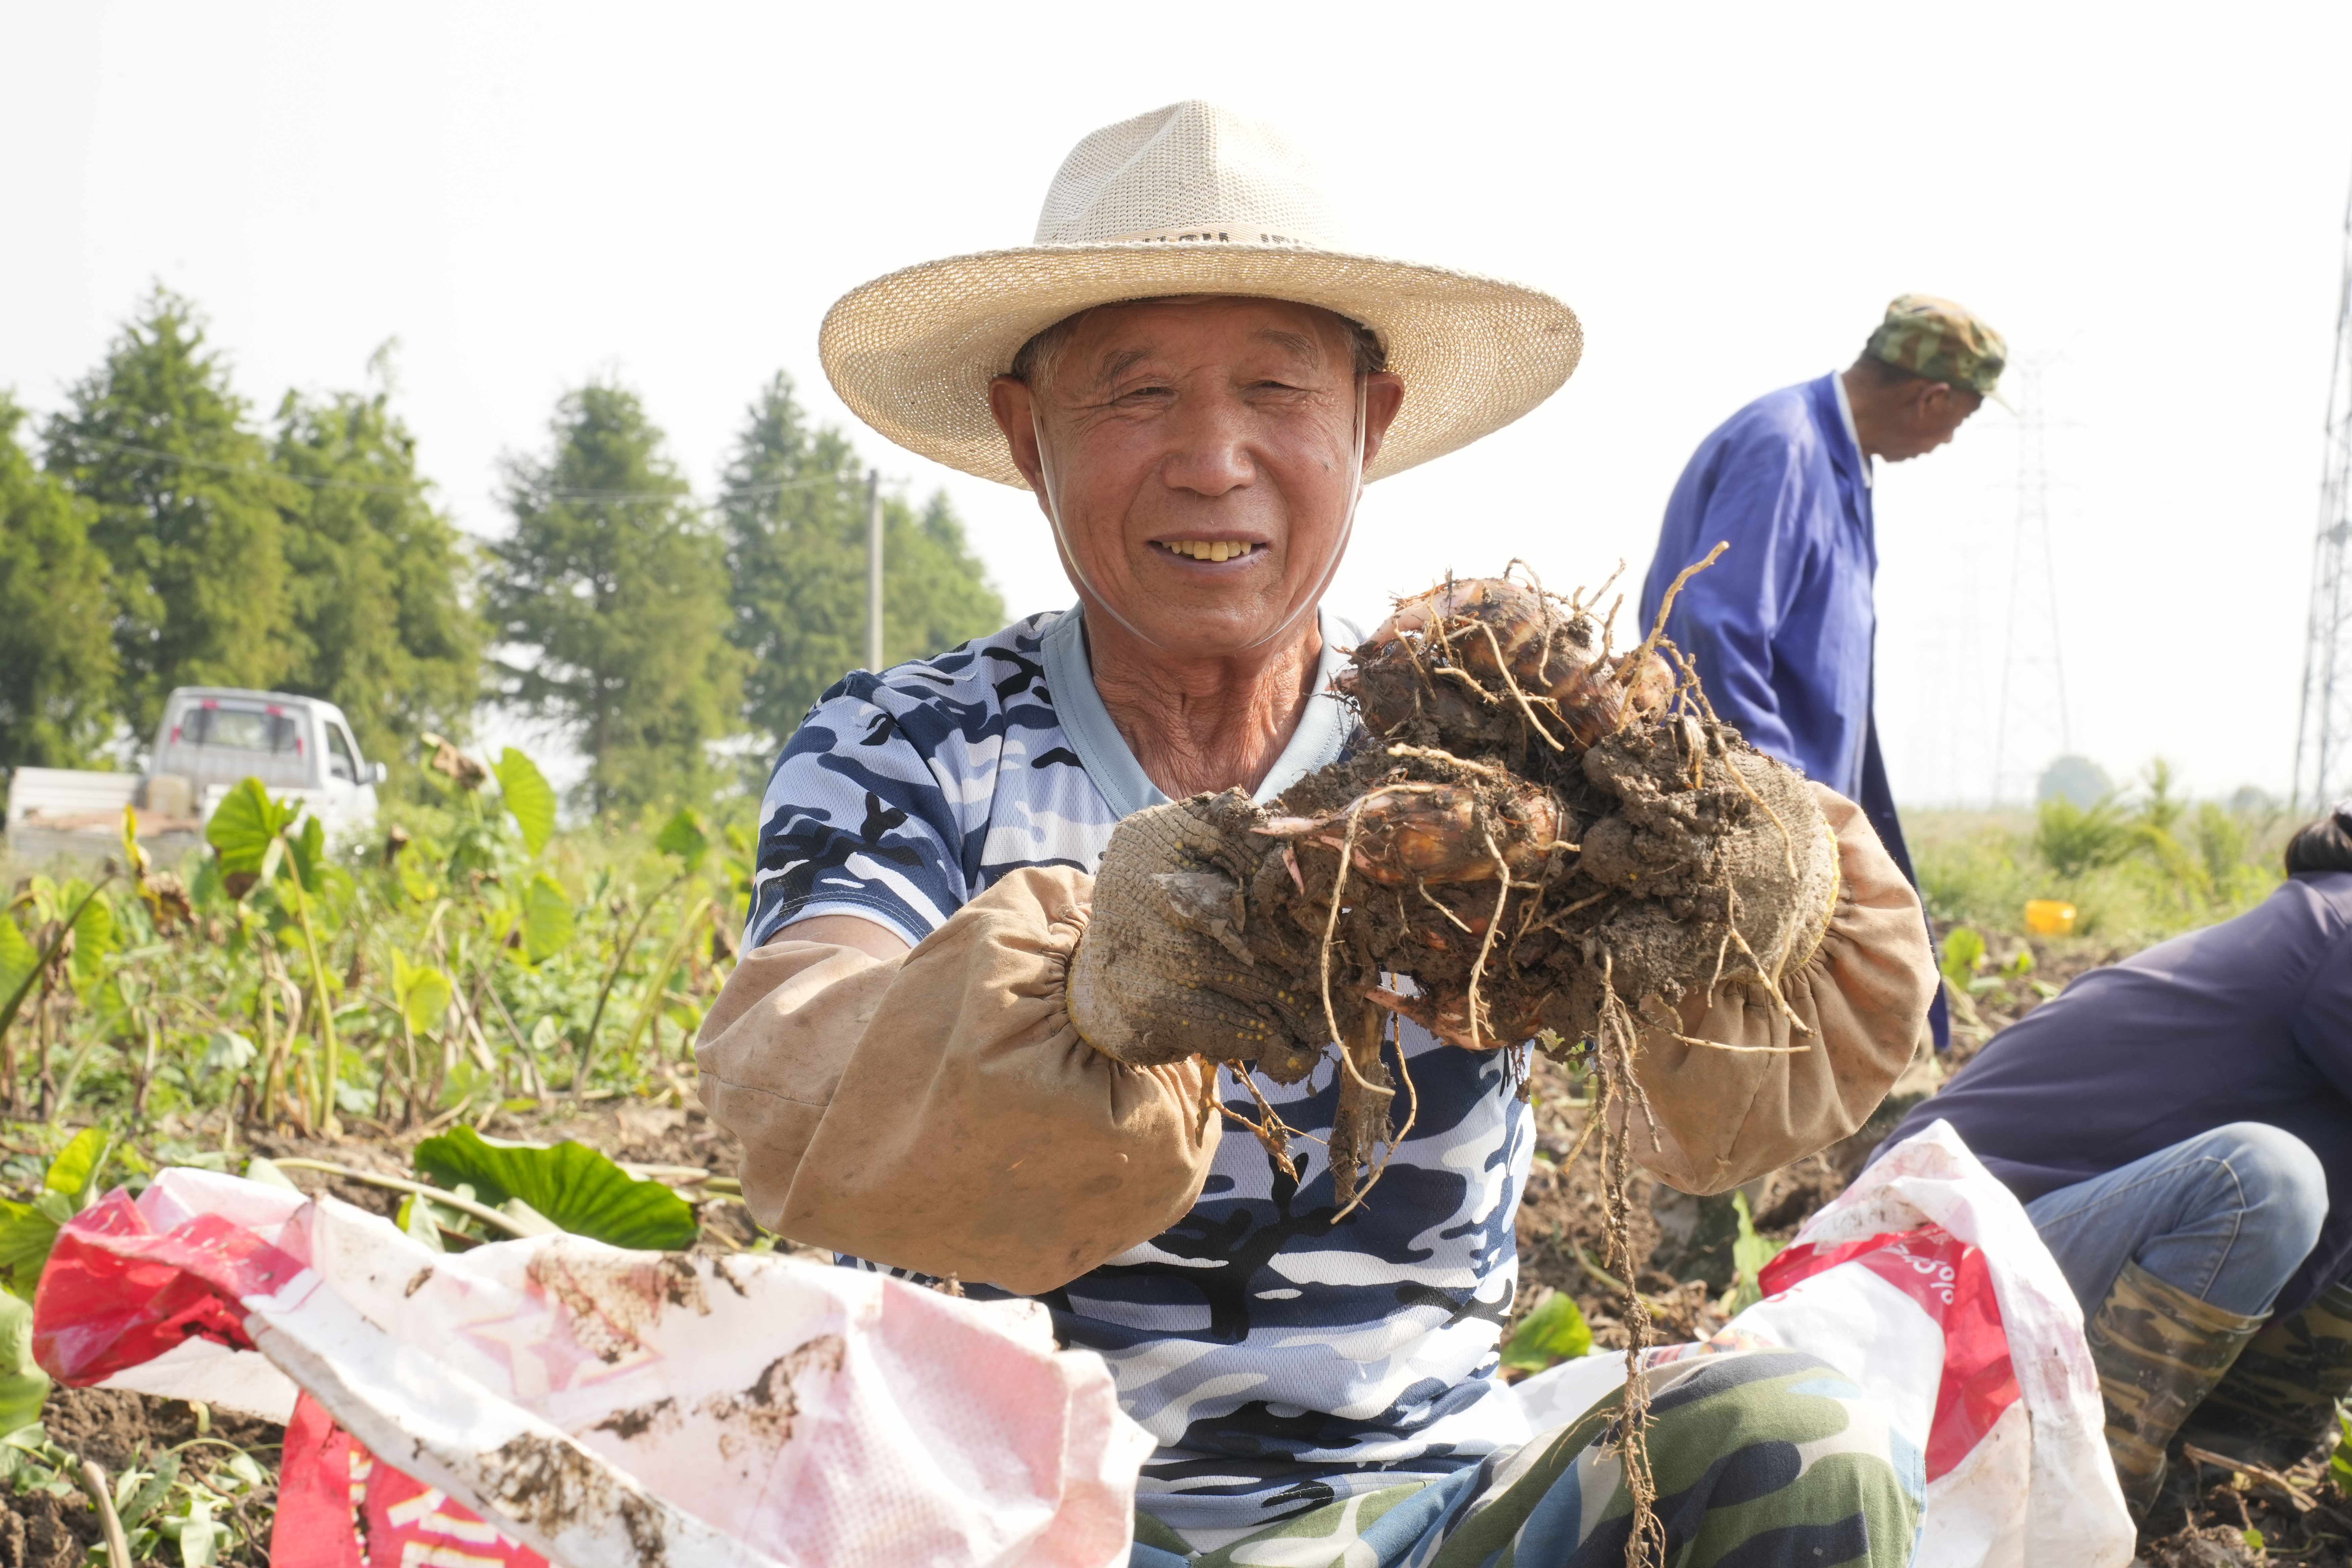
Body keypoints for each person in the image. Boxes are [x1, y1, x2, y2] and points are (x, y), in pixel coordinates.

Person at [698, 101, 1937, 1566]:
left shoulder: (1485, 733)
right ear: (1030, 434)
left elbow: (1734, 1115)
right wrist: (1087, 975)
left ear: (1371, 422)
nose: (1212, 460)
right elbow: (801, 1066)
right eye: (1136, 395)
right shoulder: (908, 750)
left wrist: (1757, 888)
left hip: (1438, 1506)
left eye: (1277, 393)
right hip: (1032, 1525)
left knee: (1808, 1446)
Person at [1876, 805, 2352, 1516]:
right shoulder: (2340, 929)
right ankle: (2084, 1502)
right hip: (1920, 1272)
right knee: (2265, 1176)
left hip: (2013, 1261)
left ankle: (2217, 1460)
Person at [1638, 297, 2008, 1052]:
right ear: (1930, 398)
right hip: (1758, 826)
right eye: (1959, 420)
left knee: (1798, 1063)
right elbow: (1715, 626)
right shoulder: (1786, 446)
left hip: (1809, 810)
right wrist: (1786, 804)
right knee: (1737, 1071)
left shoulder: (1842, 465)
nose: (1947, 440)